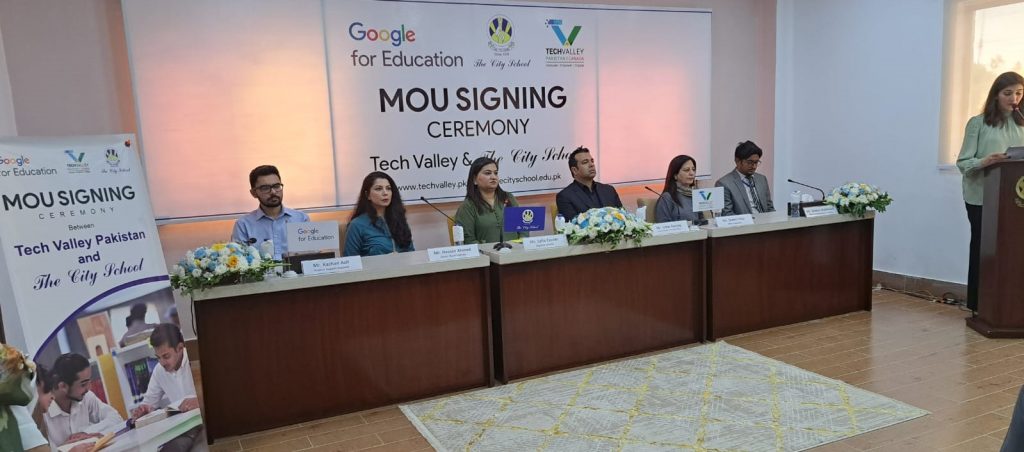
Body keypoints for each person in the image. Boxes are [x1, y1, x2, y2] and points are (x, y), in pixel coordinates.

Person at [956, 71, 1024, 314]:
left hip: (1015, 201)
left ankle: (1009, 306)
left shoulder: (1022, 123)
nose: (1014, 99)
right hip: (982, 198)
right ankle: (978, 304)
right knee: (984, 249)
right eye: (1008, 93)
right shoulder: (978, 123)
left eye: (1019, 93)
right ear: (995, 95)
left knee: (1013, 251)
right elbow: (963, 163)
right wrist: (985, 161)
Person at [130, 324, 203, 451]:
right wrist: (144, 409)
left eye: (166, 356)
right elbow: (149, 403)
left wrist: (200, 401)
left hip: (203, 425)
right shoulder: (159, 370)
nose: (162, 362)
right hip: (180, 429)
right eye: (158, 357)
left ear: (180, 348)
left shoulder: (196, 359)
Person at [43, 353, 124, 449]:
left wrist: (86, 433)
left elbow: (116, 418)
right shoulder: (44, 413)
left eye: (89, 381)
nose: (89, 388)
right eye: (83, 384)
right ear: (63, 386)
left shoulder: (86, 397)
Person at [231, 165, 311, 260]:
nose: (273, 192)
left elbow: (311, 257)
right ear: (253, 193)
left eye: (277, 186)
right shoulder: (243, 225)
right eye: (265, 188)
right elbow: (239, 260)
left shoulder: (301, 219)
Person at [454, 157, 528, 244]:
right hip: (486, 252)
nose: (493, 177)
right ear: (474, 179)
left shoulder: (508, 197)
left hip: (515, 251)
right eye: (488, 173)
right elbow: (468, 241)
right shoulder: (467, 206)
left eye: (495, 173)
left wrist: (522, 244)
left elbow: (523, 229)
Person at [343, 172, 415, 256]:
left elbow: (412, 254)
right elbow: (351, 260)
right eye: (378, 189)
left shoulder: (399, 220)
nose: (385, 193)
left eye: (388, 188)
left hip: (403, 265)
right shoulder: (357, 224)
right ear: (367, 195)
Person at [555, 146, 623, 221]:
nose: (591, 165)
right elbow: (572, 226)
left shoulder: (609, 190)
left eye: (592, 161)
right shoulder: (565, 196)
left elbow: (623, 217)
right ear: (574, 170)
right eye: (585, 162)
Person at [716, 140, 775, 216]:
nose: (754, 166)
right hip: (744, 222)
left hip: (766, 222)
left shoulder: (762, 179)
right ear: (737, 161)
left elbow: (770, 208)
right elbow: (727, 214)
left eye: (756, 162)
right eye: (750, 162)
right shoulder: (724, 184)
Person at [655, 155, 704, 223]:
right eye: (686, 170)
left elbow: (702, 220)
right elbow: (662, 224)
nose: (692, 173)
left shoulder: (696, 194)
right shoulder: (667, 197)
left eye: (693, 169)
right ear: (675, 175)